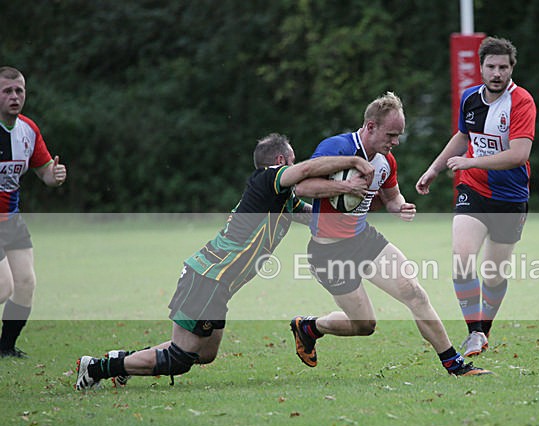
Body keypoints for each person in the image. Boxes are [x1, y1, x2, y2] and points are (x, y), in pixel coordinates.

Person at [75, 134, 372, 390]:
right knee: (181, 357)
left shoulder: (281, 200)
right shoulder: (268, 179)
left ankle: (121, 360)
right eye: (292, 162)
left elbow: (314, 218)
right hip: (208, 275)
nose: (299, 169)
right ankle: (96, 368)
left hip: (218, 283)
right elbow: (308, 169)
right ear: (281, 160)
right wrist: (353, 164)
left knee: (205, 353)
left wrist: (352, 215)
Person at [290, 92, 490, 376]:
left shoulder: (386, 161)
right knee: (364, 325)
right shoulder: (336, 147)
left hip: (363, 240)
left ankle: (454, 364)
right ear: (371, 126)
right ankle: (308, 327)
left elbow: (392, 197)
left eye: (399, 135)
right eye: (392, 134)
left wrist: (400, 207)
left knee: (415, 293)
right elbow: (301, 187)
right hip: (328, 251)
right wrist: (346, 188)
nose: (395, 142)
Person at [415, 36, 536, 357]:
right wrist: (435, 169)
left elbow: (519, 154)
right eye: (491, 66)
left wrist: (472, 161)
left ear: (512, 68)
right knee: (462, 257)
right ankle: (474, 333)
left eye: (503, 67)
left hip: (510, 197)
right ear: (481, 68)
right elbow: (462, 137)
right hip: (473, 189)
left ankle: (483, 331)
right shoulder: (470, 98)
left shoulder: (521, 102)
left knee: (494, 274)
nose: (497, 73)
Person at [0, 67, 67, 358]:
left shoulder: (28, 129)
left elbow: (45, 174)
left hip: (10, 218)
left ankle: (5, 348)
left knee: (25, 284)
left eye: (19, 91)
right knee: (4, 286)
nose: (14, 96)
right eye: (7, 91)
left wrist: (56, 174)